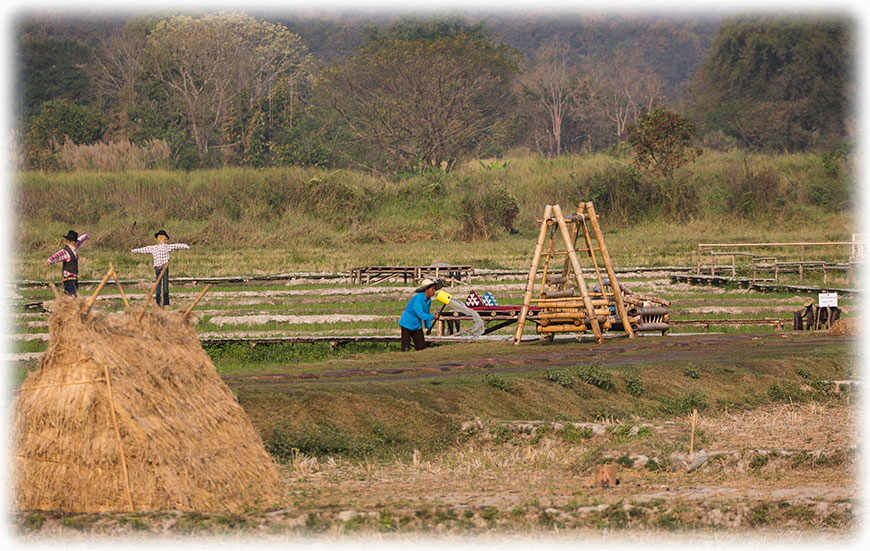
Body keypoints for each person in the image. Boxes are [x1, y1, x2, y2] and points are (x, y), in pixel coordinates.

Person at [131, 230, 190, 308]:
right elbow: (144, 249)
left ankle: (165, 304)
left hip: (164, 268)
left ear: (164, 239)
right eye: (160, 237)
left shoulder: (165, 247)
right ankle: (160, 304)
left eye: (162, 238)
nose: (161, 239)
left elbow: (177, 245)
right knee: (159, 287)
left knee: (164, 286)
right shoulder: (154, 248)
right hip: (157, 269)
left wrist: (186, 246)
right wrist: (135, 251)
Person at [398, 278, 443, 351]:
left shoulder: (429, 300)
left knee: (421, 347)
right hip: (407, 323)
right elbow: (420, 314)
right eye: (432, 289)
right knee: (406, 347)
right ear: (426, 290)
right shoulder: (418, 298)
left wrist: (428, 327)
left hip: (417, 325)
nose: (434, 291)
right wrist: (433, 317)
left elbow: (426, 313)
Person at [46, 230, 89, 296]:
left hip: (71, 280)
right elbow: (81, 239)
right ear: (73, 242)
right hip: (70, 279)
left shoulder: (68, 251)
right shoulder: (70, 250)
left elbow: (57, 255)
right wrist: (86, 236)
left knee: (70, 298)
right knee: (72, 298)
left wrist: (49, 261)